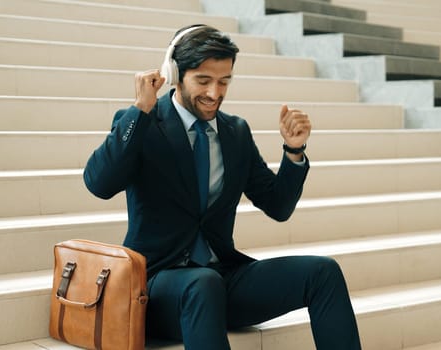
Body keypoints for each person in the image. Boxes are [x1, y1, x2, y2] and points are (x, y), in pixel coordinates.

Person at [83, 24, 362, 350]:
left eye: (224, 81)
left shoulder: (235, 133)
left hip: (222, 280)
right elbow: (98, 183)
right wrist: (140, 109)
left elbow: (278, 206)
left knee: (322, 272)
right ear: (175, 74)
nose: (215, 93)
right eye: (203, 80)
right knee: (202, 284)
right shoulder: (144, 122)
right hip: (159, 289)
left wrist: (293, 152)